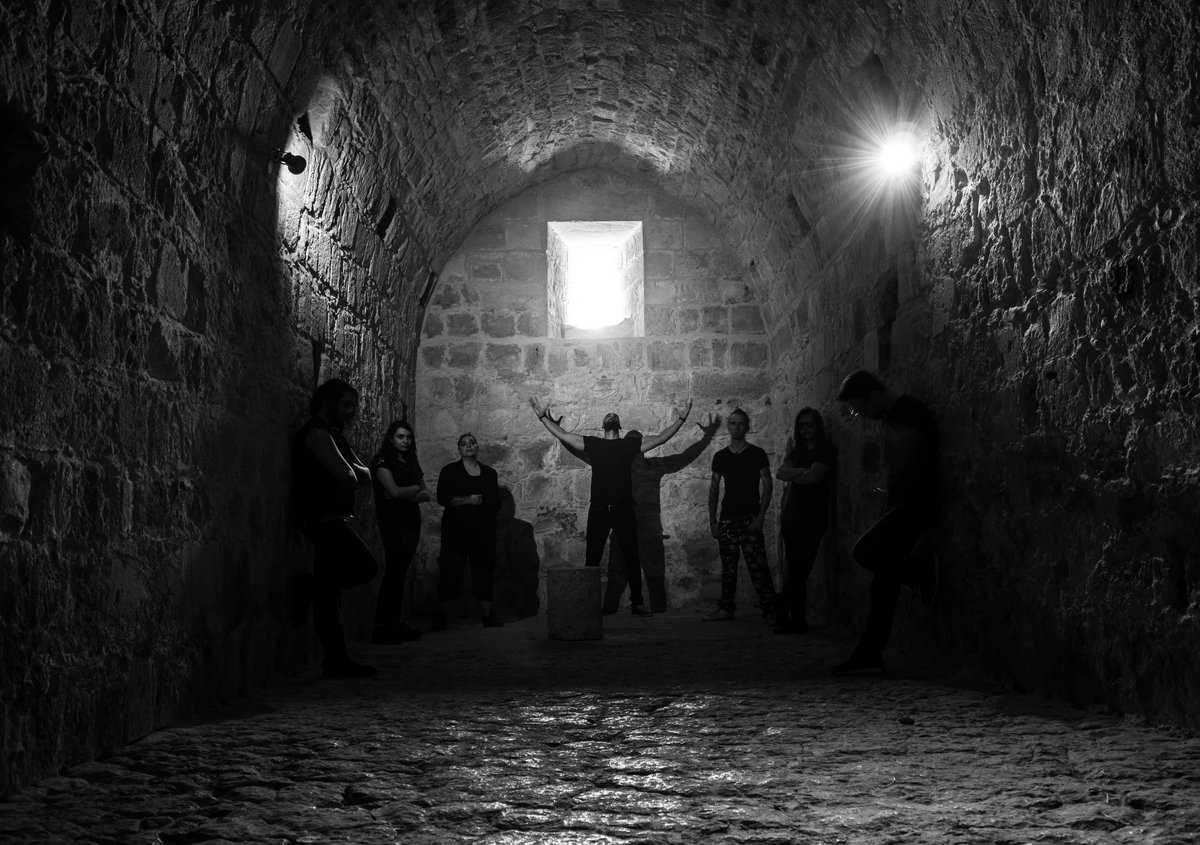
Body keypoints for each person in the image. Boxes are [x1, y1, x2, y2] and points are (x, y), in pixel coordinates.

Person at [528, 396, 694, 617]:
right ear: (603, 426)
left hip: (624, 510)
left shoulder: (629, 445)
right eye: (609, 416)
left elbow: (662, 437)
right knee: (592, 559)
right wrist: (542, 418)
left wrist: (681, 419)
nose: (611, 416)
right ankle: (589, 606)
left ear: (618, 425)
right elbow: (564, 436)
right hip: (599, 510)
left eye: (614, 416)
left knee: (632, 557)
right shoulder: (594, 444)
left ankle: (637, 604)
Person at [832, 370, 942, 675]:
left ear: (873, 396)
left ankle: (920, 567)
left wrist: (896, 493)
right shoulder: (895, 415)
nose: (861, 415)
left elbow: (912, 460)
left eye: (859, 408)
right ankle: (870, 650)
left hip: (916, 503)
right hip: (905, 502)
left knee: (865, 552)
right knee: (884, 580)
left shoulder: (907, 411)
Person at [291, 378, 379, 678]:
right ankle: (310, 588)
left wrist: (349, 470)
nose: (351, 411)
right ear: (328, 403)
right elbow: (350, 479)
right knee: (365, 567)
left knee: (328, 595)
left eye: (353, 405)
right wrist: (349, 472)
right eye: (346, 405)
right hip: (322, 519)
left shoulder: (334, 435)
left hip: (334, 518)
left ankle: (335, 659)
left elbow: (365, 476)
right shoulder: (317, 434)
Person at [704, 408, 777, 622]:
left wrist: (760, 517)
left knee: (758, 567)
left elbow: (768, 485)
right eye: (733, 423)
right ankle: (726, 608)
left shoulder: (756, 454)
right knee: (728, 568)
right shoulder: (721, 456)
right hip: (727, 519)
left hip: (750, 518)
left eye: (741, 423)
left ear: (747, 426)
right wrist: (713, 521)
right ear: (729, 426)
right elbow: (714, 489)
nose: (737, 427)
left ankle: (770, 609)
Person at [774, 408, 838, 634]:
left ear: (817, 425)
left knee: (802, 569)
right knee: (796, 571)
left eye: (809, 424)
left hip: (814, 517)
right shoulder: (798, 451)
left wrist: (797, 473)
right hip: (792, 516)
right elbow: (781, 473)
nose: (805, 429)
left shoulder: (826, 450)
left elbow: (814, 477)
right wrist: (804, 471)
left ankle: (782, 604)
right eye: (801, 425)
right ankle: (797, 620)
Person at [369, 419, 430, 645]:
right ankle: (384, 625)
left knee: (401, 571)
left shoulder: (411, 462)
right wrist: (413, 489)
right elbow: (393, 492)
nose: (405, 441)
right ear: (391, 439)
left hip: (411, 521)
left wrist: (408, 492)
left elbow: (426, 493)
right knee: (394, 570)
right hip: (393, 522)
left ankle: (394, 622)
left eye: (408, 437)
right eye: (400, 436)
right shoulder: (383, 461)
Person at [434, 433, 503, 629]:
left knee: (484, 571)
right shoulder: (450, 471)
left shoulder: (489, 473)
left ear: (477, 446)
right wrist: (468, 500)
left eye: (472, 443)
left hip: (483, 532)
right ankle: (442, 615)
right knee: (450, 570)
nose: (468, 446)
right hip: (455, 531)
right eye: (464, 444)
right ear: (459, 449)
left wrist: (486, 518)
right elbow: (442, 498)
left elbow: (495, 501)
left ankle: (487, 615)